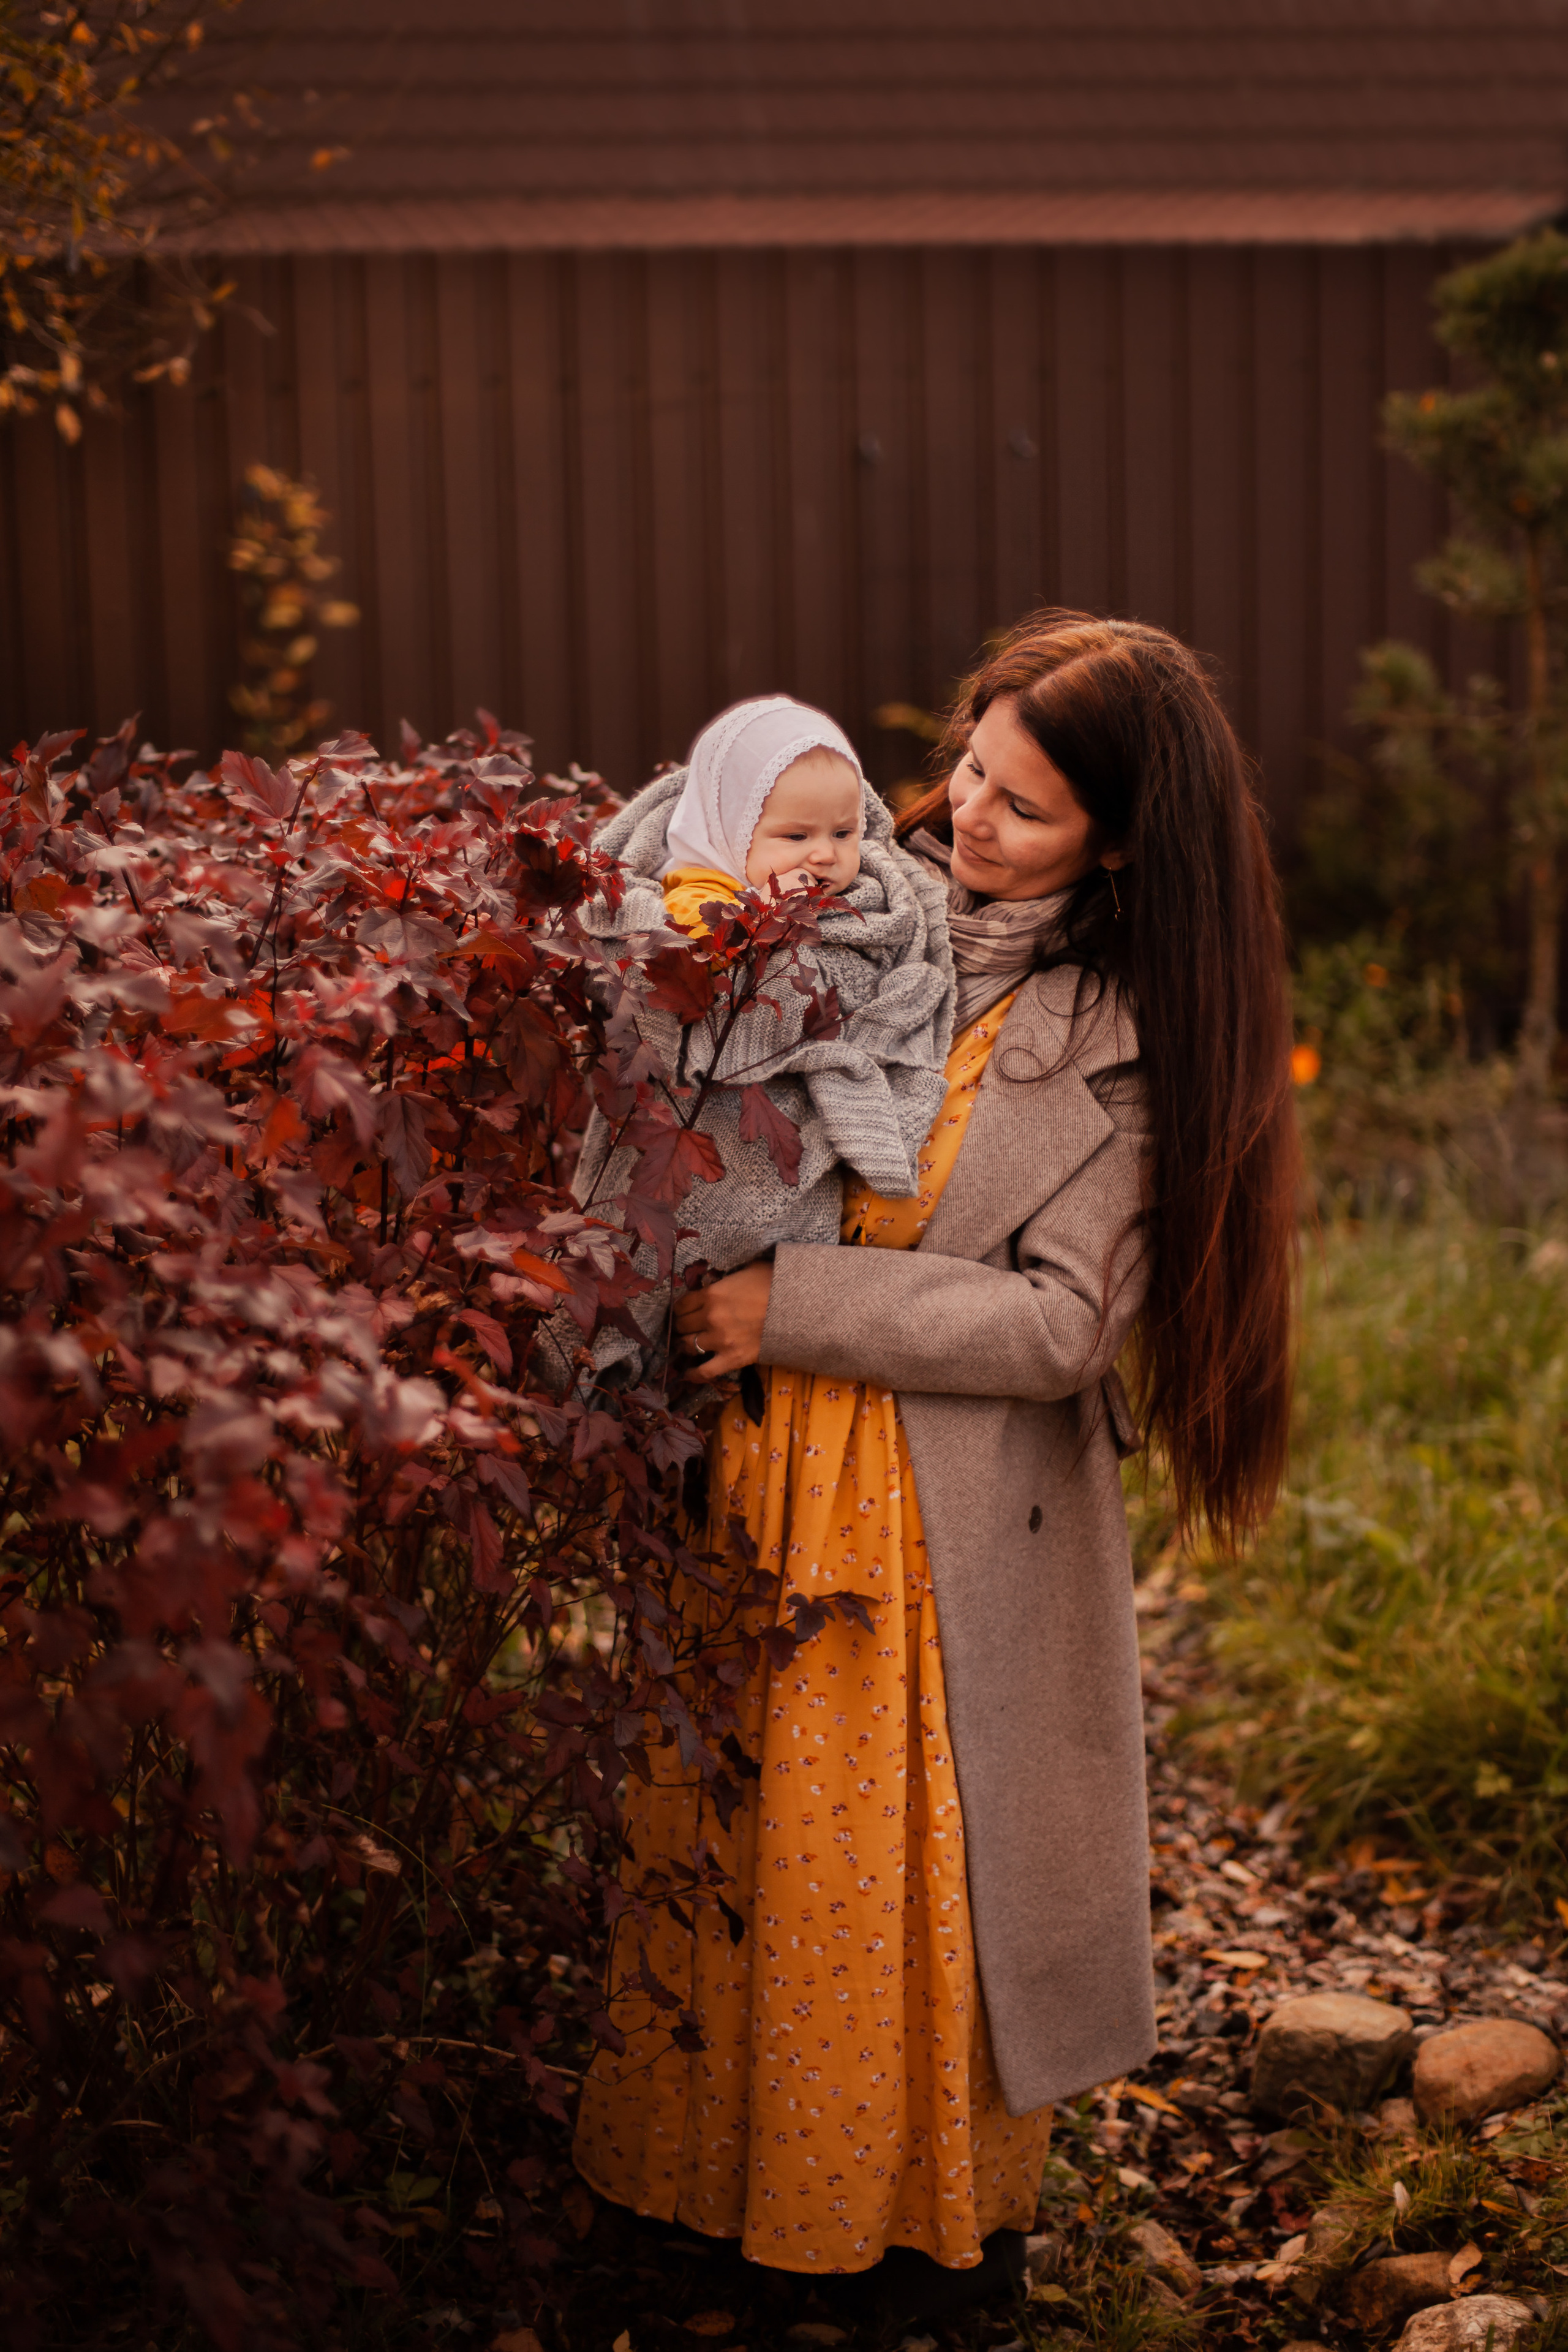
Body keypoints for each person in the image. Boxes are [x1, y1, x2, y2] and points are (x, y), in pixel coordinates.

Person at [572, 614, 1297, 2318]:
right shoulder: (835, 894)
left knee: (883, 1883)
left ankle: (899, 2236)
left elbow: (1061, 1331)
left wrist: (789, 1304)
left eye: (1024, 806)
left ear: (1115, 840)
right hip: (749, 1484)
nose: (964, 815)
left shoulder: (1126, 1032)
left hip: (931, 1529)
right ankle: (696, 2206)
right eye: (969, 764)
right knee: (723, 1851)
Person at [564, 696, 954, 1382]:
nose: (826, 856)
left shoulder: (860, 899)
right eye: (795, 836)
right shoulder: (699, 898)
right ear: (728, 833)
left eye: (842, 832)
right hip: (704, 1132)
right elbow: (696, 996)